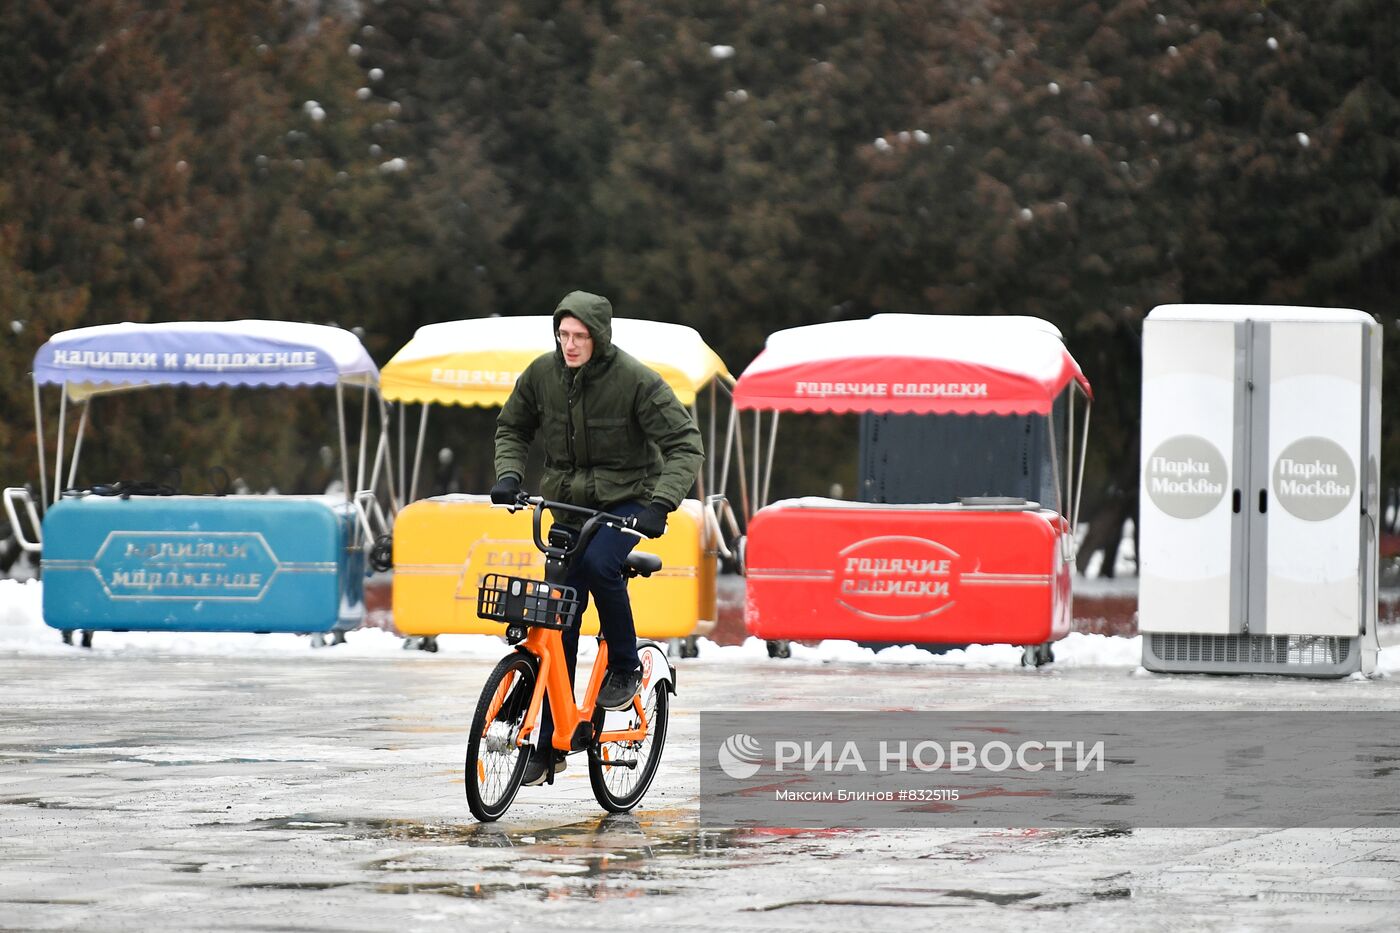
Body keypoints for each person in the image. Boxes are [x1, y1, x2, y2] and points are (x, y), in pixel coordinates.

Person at [491, 290, 704, 785]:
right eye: (563, 335)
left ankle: (626, 666)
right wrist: (508, 474)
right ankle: (547, 746)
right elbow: (512, 428)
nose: (569, 345)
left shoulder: (634, 380)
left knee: (599, 565)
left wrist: (660, 504)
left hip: (630, 500)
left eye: (579, 336)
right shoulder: (542, 374)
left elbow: (684, 443)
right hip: (568, 503)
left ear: (599, 337)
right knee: (557, 609)